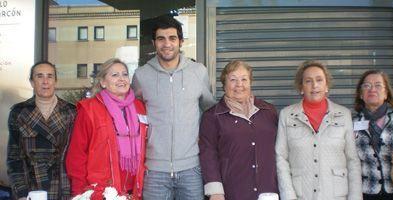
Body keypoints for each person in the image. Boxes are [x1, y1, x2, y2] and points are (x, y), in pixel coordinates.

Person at [132, 15, 215, 200]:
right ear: (154, 43)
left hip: (191, 169)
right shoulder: (141, 76)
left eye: (172, 38)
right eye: (161, 39)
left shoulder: (198, 71)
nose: (167, 44)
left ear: (181, 42)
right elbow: (132, 114)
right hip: (154, 170)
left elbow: (210, 111)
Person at [275, 60, 362, 200]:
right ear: (301, 87)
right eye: (308, 81)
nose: (314, 85)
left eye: (319, 80)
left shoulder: (343, 114)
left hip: (336, 195)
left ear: (326, 85)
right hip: (301, 195)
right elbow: (280, 158)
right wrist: (288, 196)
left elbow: (352, 160)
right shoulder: (287, 115)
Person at [66, 58, 147, 200]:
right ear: (103, 82)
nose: (121, 79)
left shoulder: (140, 107)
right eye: (114, 75)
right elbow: (77, 155)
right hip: (102, 192)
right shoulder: (89, 109)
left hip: (135, 191)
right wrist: (79, 193)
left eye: (125, 74)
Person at [199, 60, 278, 200]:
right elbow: (208, 154)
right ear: (224, 84)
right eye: (233, 80)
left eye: (244, 79)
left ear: (250, 82)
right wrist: (215, 191)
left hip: (268, 191)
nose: (239, 85)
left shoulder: (269, 111)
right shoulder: (212, 116)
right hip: (232, 190)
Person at [7, 61, 76, 200]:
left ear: (55, 81)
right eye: (39, 76)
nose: (45, 81)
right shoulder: (19, 112)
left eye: (50, 76)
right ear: (32, 82)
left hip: (64, 187)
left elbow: (78, 154)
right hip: (32, 188)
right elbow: (14, 158)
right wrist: (21, 193)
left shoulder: (71, 111)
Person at [353, 70, 393, 200]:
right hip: (366, 193)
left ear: (386, 93)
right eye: (366, 85)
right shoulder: (352, 124)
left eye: (378, 85)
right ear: (361, 95)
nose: (372, 89)